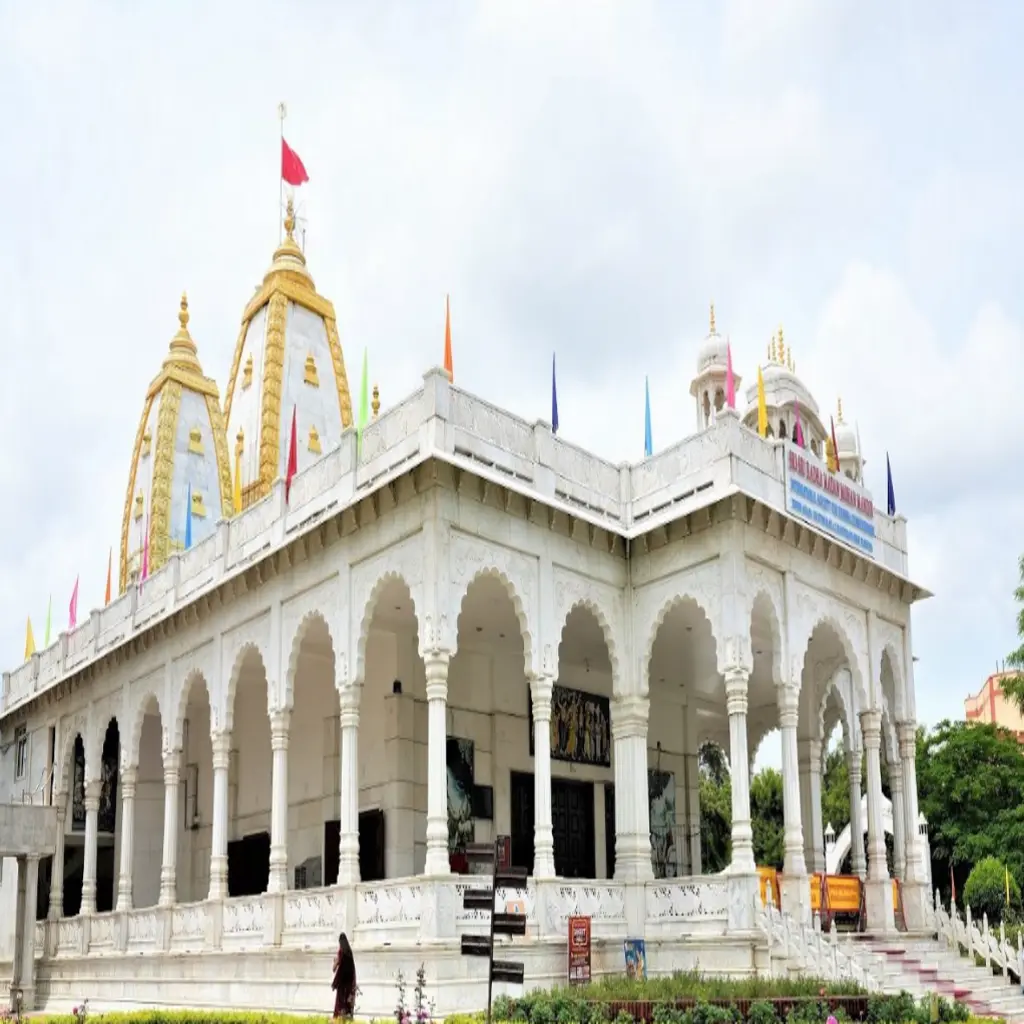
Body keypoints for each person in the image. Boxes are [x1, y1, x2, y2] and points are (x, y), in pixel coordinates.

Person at [332, 932, 357, 1019]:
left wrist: (335, 962)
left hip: (342, 985)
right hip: (349, 984)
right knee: (348, 1005)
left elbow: (334, 969)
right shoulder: (349, 952)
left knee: (340, 1005)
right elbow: (352, 970)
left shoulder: (341, 952)